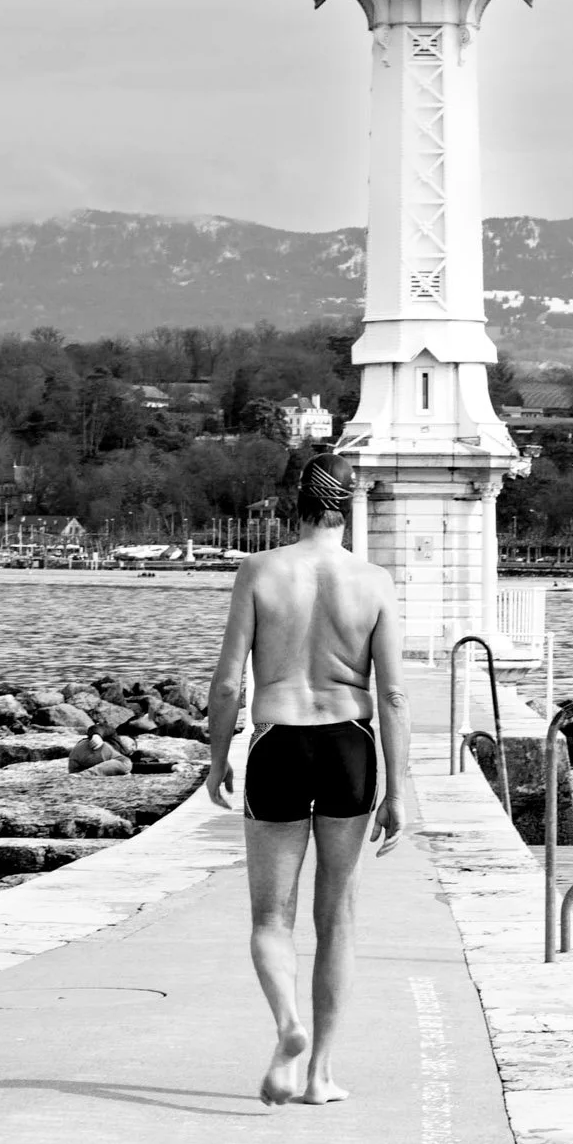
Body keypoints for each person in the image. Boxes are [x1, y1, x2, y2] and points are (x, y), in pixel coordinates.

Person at [206, 453, 408, 1107]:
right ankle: (319, 1072)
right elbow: (395, 694)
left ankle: (287, 1025)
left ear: (294, 508)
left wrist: (216, 759)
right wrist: (400, 789)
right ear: (348, 511)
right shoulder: (373, 581)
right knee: (337, 917)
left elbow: (228, 682)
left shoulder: (260, 571)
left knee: (272, 917)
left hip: (279, 745)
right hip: (349, 746)